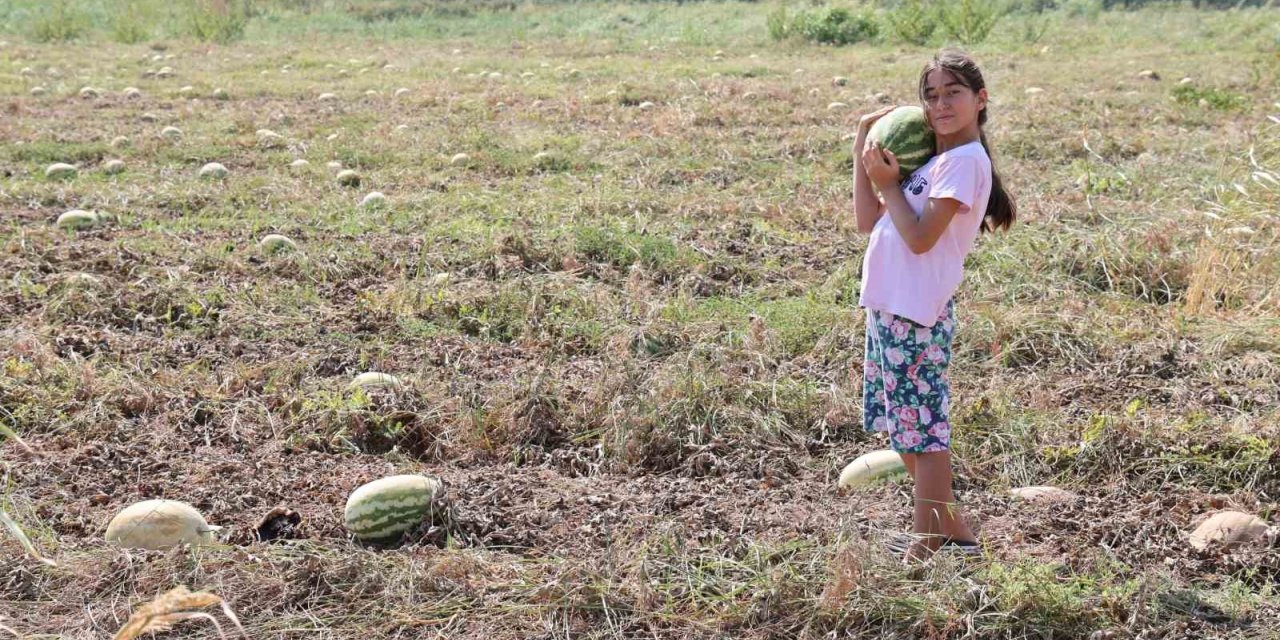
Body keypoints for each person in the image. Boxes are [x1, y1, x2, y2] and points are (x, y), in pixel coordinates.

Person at [851, 49, 1017, 564]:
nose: (940, 104)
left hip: (916, 312)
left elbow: (922, 239)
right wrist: (864, 143)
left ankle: (926, 545)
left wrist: (887, 186)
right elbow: (866, 219)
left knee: (924, 432)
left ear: (980, 100)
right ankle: (953, 531)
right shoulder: (938, 161)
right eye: (931, 94)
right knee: (906, 427)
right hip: (890, 306)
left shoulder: (966, 163)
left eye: (953, 93)